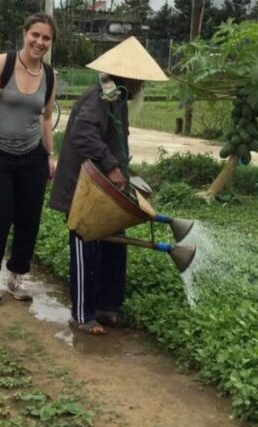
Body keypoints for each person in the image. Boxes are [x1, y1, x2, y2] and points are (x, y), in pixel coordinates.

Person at [49, 37, 168, 335]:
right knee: (85, 247)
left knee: (114, 248)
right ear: (126, 75)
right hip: (84, 190)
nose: (142, 85)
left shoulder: (117, 99)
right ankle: (83, 314)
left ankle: (107, 307)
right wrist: (112, 167)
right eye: (139, 79)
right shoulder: (97, 98)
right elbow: (83, 136)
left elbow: (116, 140)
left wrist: (125, 172)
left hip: (107, 190)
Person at [0, 13, 57, 303]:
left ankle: (17, 276)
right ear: (25, 33)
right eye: (36, 35)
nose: (39, 42)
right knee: (0, 214)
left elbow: (46, 118)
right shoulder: (1, 64)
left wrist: (49, 155)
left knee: (29, 217)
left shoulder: (49, 74)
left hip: (32, 155)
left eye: (46, 38)